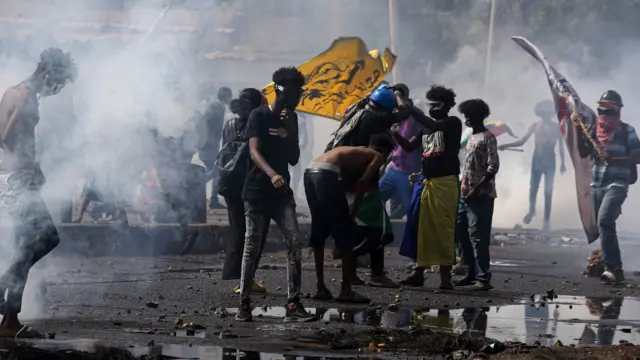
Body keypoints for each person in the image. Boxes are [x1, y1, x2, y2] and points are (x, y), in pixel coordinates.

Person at [0, 48, 77, 338]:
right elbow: (7, 136)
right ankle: (8, 319)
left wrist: (35, 167)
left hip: (11, 176)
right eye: (57, 82)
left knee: (38, 241)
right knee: (34, 242)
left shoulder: (11, 91)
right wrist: (30, 166)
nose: (56, 89)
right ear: (47, 74)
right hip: (18, 179)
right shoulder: (25, 97)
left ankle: (7, 309)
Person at [236, 67, 315, 323]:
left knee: (294, 242)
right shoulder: (258, 116)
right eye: (297, 91)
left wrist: (290, 128)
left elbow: (293, 158)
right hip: (258, 192)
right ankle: (244, 304)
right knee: (252, 246)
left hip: (282, 194)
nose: (299, 96)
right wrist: (271, 174)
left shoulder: (291, 118)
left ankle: (293, 303)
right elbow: (254, 152)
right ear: (282, 90)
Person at [326, 85, 410, 288]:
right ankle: (375, 273)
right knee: (378, 229)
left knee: (360, 226)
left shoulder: (359, 113)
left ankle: (356, 271)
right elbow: (405, 112)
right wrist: (398, 94)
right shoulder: (374, 117)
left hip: (349, 178)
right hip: (362, 179)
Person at [305, 134, 394, 302]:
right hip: (326, 174)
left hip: (311, 171)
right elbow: (363, 182)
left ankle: (321, 288)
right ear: (386, 151)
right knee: (346, 235)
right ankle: (346, 289)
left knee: (319, 227)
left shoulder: (356, 152)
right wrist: (352, 215)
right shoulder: (378, 157)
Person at [395, 85, 462, 290]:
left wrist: (410, 107)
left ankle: (445, 278)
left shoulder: (452, 123)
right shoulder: (425, 128)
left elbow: (432, 124)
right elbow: (408, 146)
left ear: (448, 106)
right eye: (430, 105)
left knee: (443, 229)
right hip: (425, 182)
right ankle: (418, 272)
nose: (433, 109)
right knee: (419, 227)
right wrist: (395, 135)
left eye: (437, 105)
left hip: (445, 183)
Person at [574, 90, 640, 285]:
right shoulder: (594, 130)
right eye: (602, 110)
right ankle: (611, 266)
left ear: (618, 112)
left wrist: (615, 159)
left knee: (604, 220)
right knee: (604, 226)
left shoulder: (627, 131)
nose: (605, 115)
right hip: (597, 183)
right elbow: (584, 151)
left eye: (610, 111)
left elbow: (638, 156)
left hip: (617, 183)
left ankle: (613, 268)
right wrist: (578, 130)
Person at [218, 88, 268, 294]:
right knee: (254, 232)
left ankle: (237, 275)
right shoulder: (257, 124)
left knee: (237, 230)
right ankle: (246, 279)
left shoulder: (229, 124)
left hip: (229, 183)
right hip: (249, 183)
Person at [498, 100, 566, 231]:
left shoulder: (557, 127)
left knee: (548, 191)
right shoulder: (535, 126)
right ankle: (532, 210)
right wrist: (506, 145)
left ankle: (546, 220)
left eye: (547, 113)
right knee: (533, 187)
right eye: (543, 113)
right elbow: (522, 141)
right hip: (537, 159)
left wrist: (563, 163)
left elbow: (561, 147)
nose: (545, 115)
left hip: (550, 160)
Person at [454, 99, 499, 291]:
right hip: (465, 193)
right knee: (462, 230)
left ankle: (483, 277)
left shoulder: (488, 138)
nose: (466, 120)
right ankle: (471, 272)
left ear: (477, 117)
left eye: (469, 116)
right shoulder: (472, 138)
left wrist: (476, 189)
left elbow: (493, 167)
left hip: (481, 195)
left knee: (479, 237)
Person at [378, 84, 422, 218]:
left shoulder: (416, 117)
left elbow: (410, 146)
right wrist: (386, 162)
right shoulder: (395, 118)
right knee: (375, 199)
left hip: (409, 173)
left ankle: (396, 225)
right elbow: (398, 147)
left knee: (410, 208)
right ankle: (387, 224)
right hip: (393, 169)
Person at [199, 86, 232, 209]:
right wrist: (210, 142)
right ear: (226, 97)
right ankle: (209, 198)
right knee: (214, 172)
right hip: (209, 146)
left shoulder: (215, 106)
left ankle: (212, 199)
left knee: (214, 172)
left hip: (210, 145)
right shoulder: (216, 107)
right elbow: (210, 127)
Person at [291, 113, 314, 194]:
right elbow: (303, 141)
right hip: (293, 148)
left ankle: (293, 191)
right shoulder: (300, 117)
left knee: (296, 172)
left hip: (297, 150)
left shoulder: (304, 117)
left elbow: (304, 140)